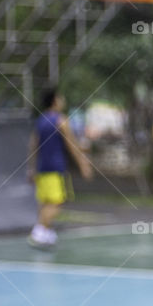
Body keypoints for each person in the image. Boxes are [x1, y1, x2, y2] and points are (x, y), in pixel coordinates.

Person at [27, 90, 93, 249]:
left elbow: (33, 145)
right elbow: (71, 144)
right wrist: (83, 164)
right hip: (56, 168)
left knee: (45, 202)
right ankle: (39, 231)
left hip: (42, 169)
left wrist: (31, 168)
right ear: (55, 101)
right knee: (57, 202)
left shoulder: (40, 121)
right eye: (60, 97)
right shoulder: (60, 120)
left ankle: (47, 234)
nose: (62, 100)